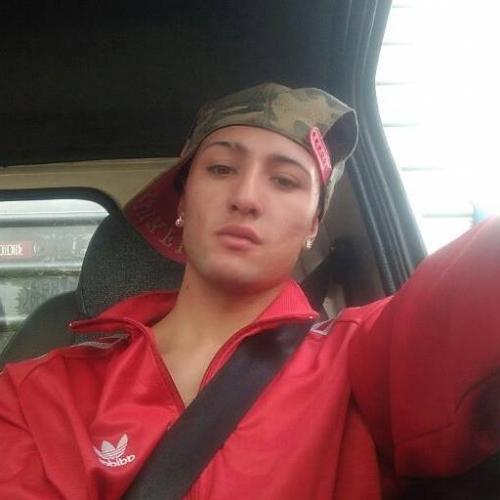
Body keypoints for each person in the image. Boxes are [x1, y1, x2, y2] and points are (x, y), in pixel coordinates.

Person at [0, 83, 499, 499]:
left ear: (313, 224)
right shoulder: (37, 392)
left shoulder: (362, 360)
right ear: (182, 201)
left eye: (284, 181)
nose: (245, 198)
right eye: (221, 169)